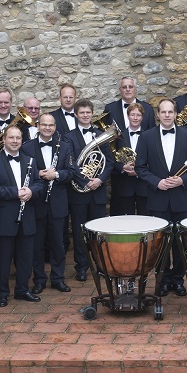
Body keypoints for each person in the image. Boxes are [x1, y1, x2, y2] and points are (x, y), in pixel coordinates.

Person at [136, 99, 187, 294]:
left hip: (180, 198)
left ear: (175, 114)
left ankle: (178, 279)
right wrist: (157, 182)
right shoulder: (146, 137)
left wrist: (183, 181)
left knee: (181, 243)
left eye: (170, 112)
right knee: (160, 243)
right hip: (158, 198)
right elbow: (140, 167)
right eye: (163, 112)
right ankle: (162, 280)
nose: (166, 115)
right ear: (157, 114)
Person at [0, 124, 44, 307]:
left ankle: (22, 290)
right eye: (11, 138)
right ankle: (2, 293)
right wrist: (16, 193)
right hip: (4, 218)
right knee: (3, 259)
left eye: (18, 138)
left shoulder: (30, 160)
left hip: (27, 217)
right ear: (3, 140)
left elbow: (39, 183)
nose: (14, 141)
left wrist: (31, 192)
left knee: (25, 257)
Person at [23, 114, 74, 294]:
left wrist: (57, 175)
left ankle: (58, 278)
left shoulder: (65, 146)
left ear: (54, 127)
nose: (47, 128)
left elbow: (71, 172)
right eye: (43, 125)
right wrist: (38, 174)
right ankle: (39, 279)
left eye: (50, 125)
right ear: (38, 126)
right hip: (36, 202)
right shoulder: (27, 147)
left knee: (58, 243)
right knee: (37, 244)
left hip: (58, 202)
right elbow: (23, 173)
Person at [65, 99, 113, 281]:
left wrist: (99, 180)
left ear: (92, 114)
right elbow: (70, 163)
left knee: (98, 231)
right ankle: (81, 267)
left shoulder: (101, 135)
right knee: (79, 231)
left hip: (97, 191)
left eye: (88, 112)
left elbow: (108, 161)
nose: (85, 115)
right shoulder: (68, 137)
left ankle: (100, 265)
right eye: (82, 113)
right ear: (76, 115)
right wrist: (85, 180)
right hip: (79, 191)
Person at [109, 101, 149, 219]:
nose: (135, 118)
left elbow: (154, 159)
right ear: (128, 116)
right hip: (125, 186)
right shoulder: (118, 137)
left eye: (138, 115)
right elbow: (112, 160)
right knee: (126, 220)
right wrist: (122, 168)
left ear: (142, 117)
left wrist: (140, 170)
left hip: (144, 186)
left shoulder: (149, 136)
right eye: (132, 115)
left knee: (145, 220)